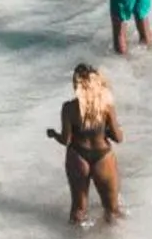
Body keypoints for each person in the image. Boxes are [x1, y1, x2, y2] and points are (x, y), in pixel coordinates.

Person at [48, 63, 123, 225]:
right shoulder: (106, 106)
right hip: (102, 156)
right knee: (112, 209)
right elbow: (118, 138)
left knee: (78, 209)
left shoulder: (68, 108)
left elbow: (66, 140)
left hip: (78, 155)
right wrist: (106, 131)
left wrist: (54, 134)